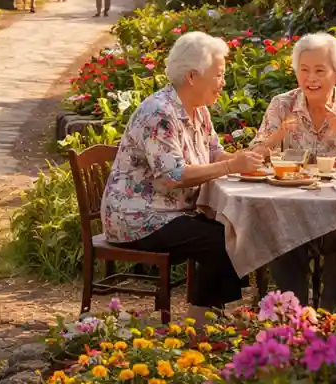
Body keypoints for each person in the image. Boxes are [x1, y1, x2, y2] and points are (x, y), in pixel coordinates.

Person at [101, 32, 266, 320]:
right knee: (218, 239)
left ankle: (211, 312)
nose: (223, 82)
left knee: (232, 228)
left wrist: (245, 160)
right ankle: (202, 317)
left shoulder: (199, 110)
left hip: (171, 213)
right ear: (192, 76)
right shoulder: (160, 114)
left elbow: (215, 153)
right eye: (218, 75)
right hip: (137, 218)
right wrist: (231, 166)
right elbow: (173, 176)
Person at [252, 33, 336, 310]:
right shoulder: (282, 105)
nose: (310, 78)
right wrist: (278, 134)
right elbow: (255, 155)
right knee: (282, 237)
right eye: (304, 70)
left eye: (320, 71)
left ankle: (333, 316)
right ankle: (292, 315)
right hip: (292, 206)